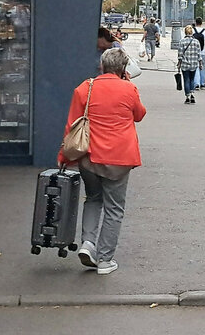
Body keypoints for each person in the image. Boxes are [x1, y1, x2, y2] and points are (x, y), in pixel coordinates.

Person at [58, 48, 146, 276]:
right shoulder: (129, 89)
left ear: (101, 66)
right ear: (124, 68)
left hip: (90, 158)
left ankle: (88, 244)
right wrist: (126, 83)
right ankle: (105, 260)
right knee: (114, 209)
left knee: (94, 199)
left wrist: (64, 157)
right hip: (119, 158)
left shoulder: (84, 89)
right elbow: (139, 114)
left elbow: (72, 125)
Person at [177, 24, 203, 104]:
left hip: (185, 64)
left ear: (185, 32)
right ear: (192, 32)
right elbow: (199, 54)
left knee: (186, 80)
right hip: (194, 64)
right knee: (192, 79)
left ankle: (187, 96)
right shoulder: (196, 41)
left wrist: (179, 64)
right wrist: (200, 64)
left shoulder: (182, 41)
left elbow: (180, 55)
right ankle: (192, 94)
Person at [193, 17, 205, 90]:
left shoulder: (192, 30)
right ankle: (202, 83)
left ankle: (196, 83)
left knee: (196, 67)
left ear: (195, 22)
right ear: (201, 23)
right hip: (202, 52)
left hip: (194, 52)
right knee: (203, 67)